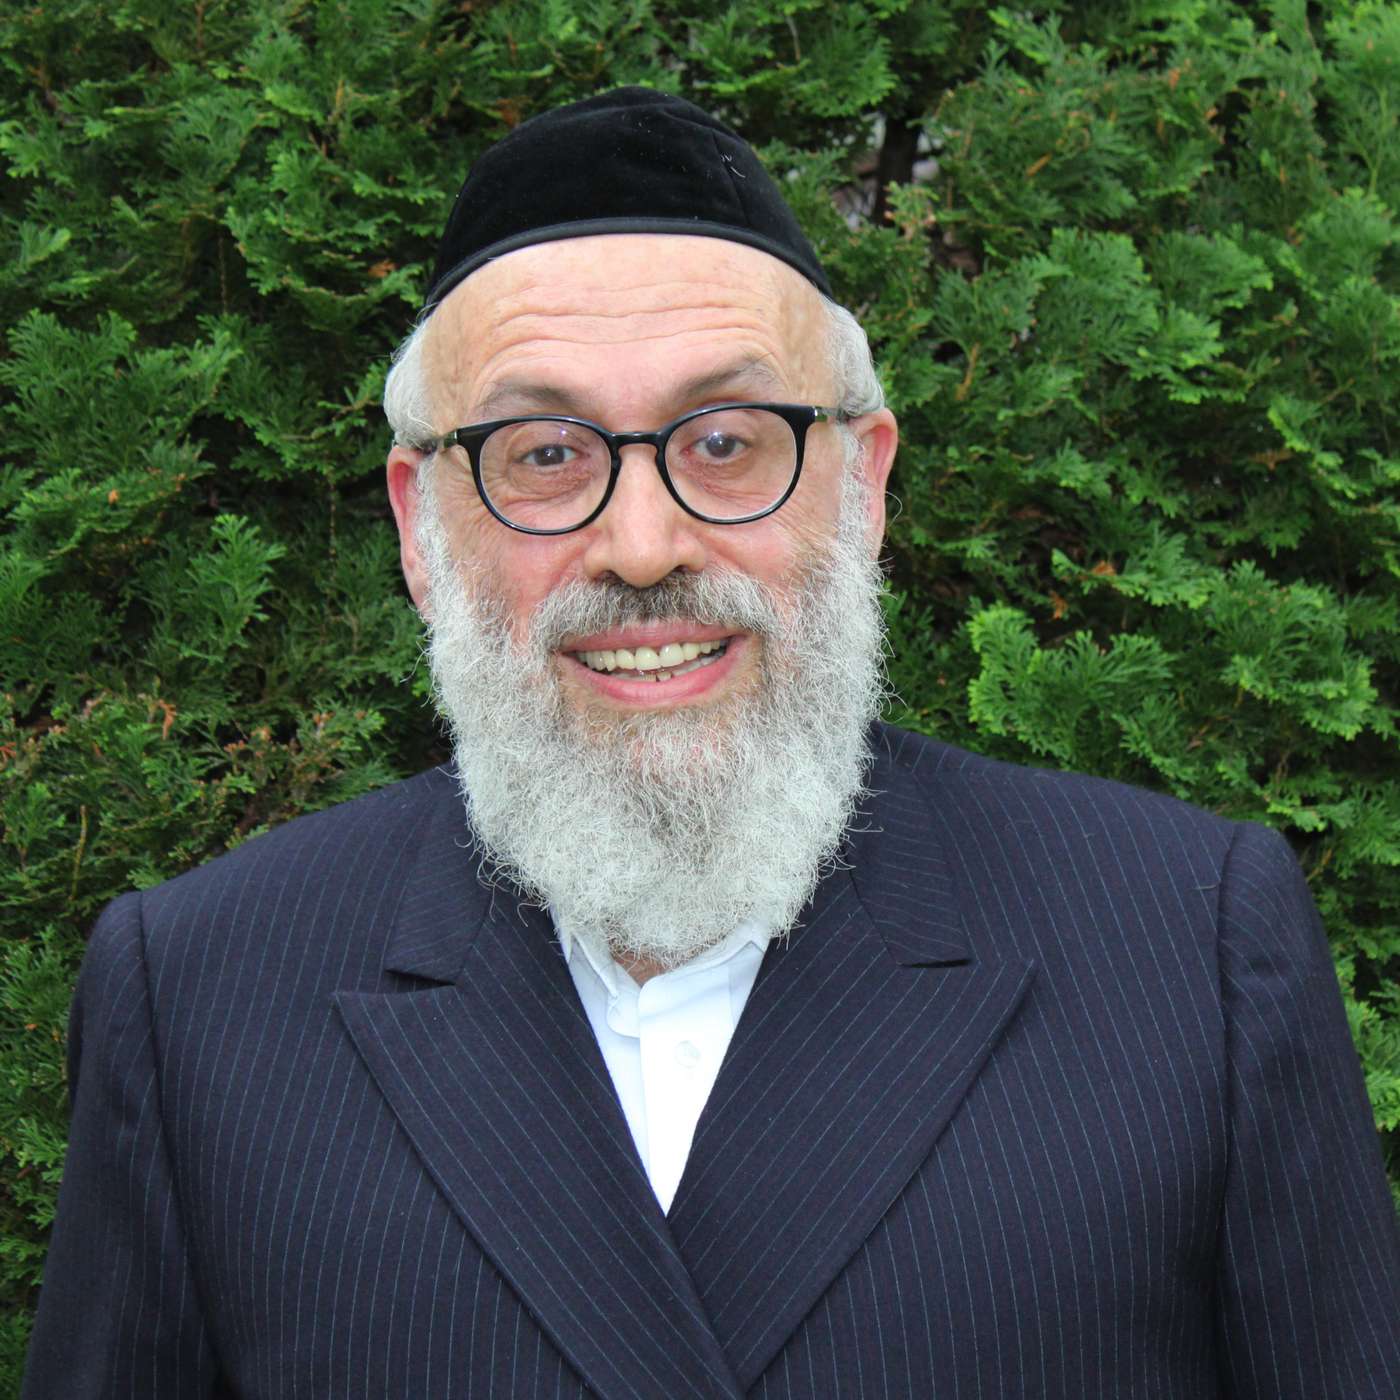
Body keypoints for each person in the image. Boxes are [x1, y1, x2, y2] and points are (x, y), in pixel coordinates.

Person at [24, 87, 1400, 1399]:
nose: (642, 545)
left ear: (863, 485)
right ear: (420, 527)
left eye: (728, 441)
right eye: (544, 453)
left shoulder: (1187, 946)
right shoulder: (198, 995)